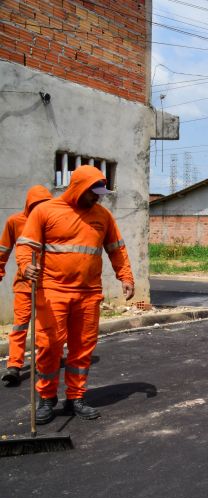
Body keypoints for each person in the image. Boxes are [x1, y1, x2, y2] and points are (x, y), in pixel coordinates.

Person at [17, 165, 134, 423]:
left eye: (100, 193)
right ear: (78, 187)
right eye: (94, 192)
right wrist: (26, 267)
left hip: (88, 294)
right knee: (49, 346)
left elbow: (116, 248)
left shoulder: (103, 216)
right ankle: (47, 399)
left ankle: (76, 398)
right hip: (52, 291)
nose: (98, 197)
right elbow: (26, 245)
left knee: (83, 348)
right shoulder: (45, 211)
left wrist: (125, 276)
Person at [0, 185, 53, 386]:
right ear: (29, 205)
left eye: (44, 205)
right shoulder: (14, 221)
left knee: (45, 328)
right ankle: (14, 365)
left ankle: (44, 362)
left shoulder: (52, 222)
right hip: (23, 285)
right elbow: (3, 250)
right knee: (20, 325)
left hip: (48, 286)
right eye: (36, 205)